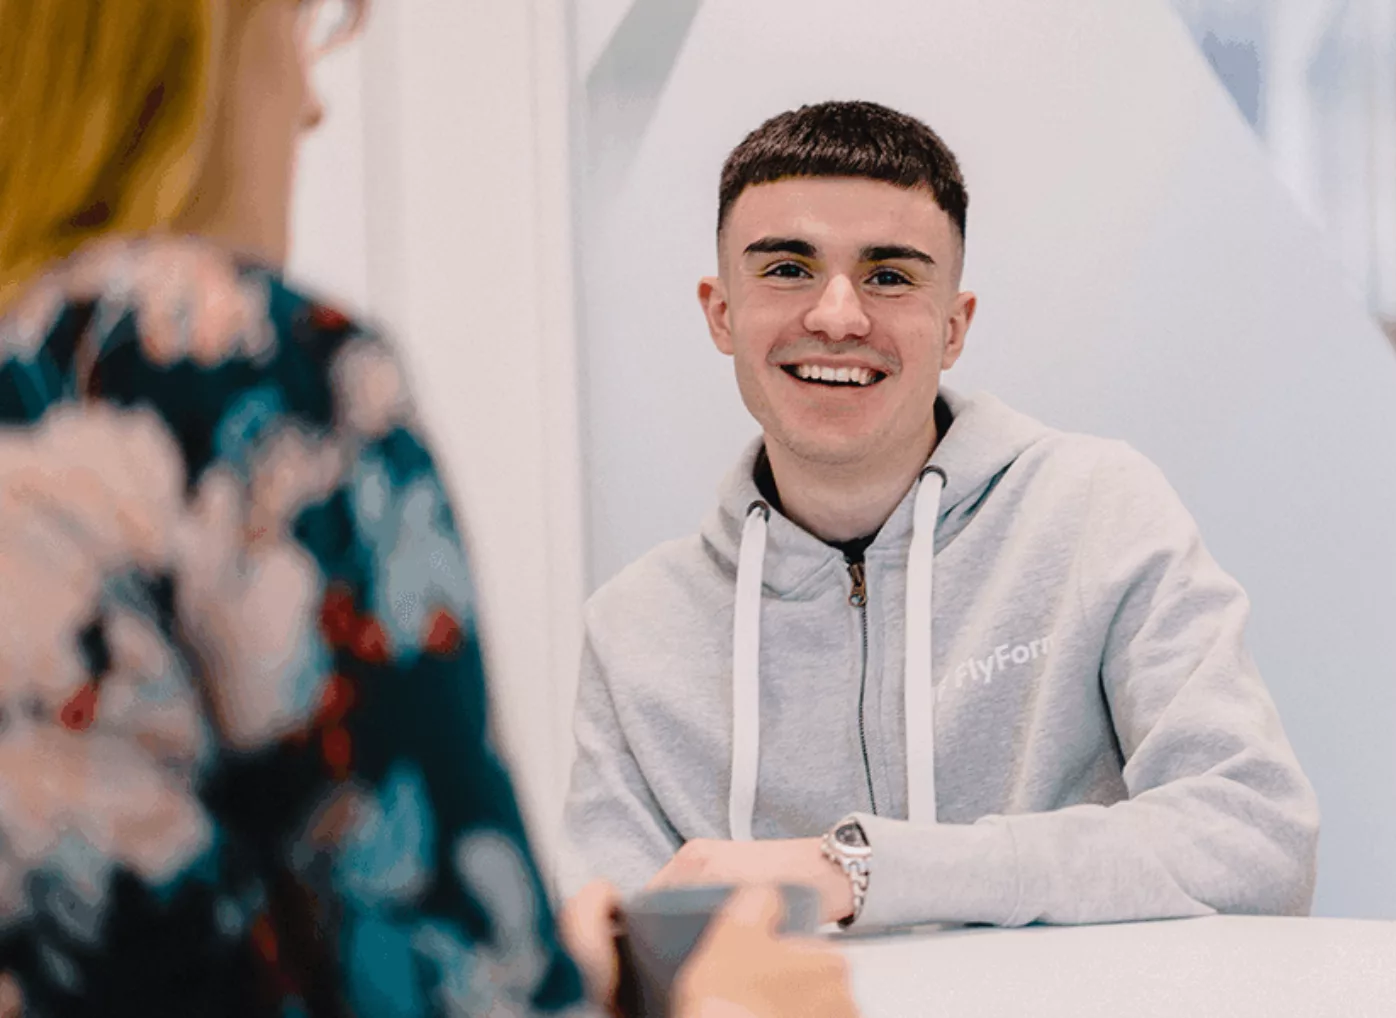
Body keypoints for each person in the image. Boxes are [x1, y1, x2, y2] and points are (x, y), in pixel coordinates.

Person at [0, 1, 857, 1015]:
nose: (314, 103)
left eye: (885, 273)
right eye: (298, 27)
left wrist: (537, 955)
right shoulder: (235, 374)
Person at [562, 100, 1322, 930]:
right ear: (720, 312)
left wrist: (858, 869)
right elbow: (609, 965)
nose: (838, 316)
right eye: (786, 269)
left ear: (953, 326)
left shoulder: (1096, 515)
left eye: (890, 276)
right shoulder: (635, 630)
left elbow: (1257, 843)